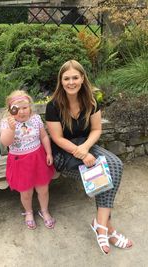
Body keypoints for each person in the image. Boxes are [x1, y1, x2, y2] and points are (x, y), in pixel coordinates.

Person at [45, 60, 133, 254]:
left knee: (116, 164)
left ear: (82, 78)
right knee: (102, 176)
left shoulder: (91, 101)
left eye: (75, 77)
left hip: (86, 145)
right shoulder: (53, 106)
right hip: (64, 153)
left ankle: (100, 225)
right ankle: (107, 229)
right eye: (66, 78)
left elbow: (96, 129)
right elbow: (57, 138)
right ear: (61, 81)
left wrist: (84, 148)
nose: (71, 82)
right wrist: (80, 153)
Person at [0, 90, 55, 230]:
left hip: (38, 158)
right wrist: (11, 129)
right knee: (26, 191)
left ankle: (45, 211)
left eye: (25, 107)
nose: (22, 112)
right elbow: (5, 142)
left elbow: (44, 137)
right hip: (20, 162)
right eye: (17, 109)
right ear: (10, 110)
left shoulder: (35, 119)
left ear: (30, 107)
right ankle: (28, 212)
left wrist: (48, 153)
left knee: (43, 189)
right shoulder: (7, 123)